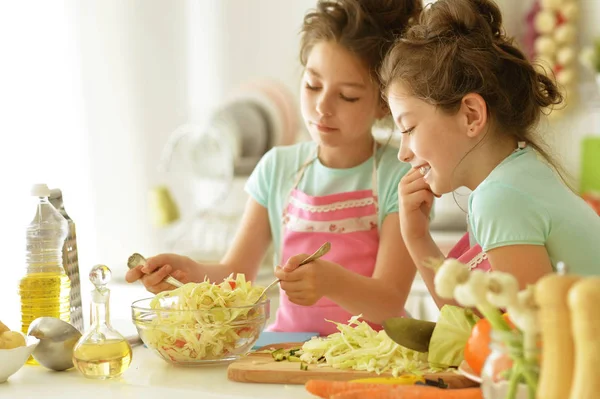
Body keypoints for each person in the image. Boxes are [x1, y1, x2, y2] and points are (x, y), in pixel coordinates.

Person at [126, 0, 422, 335]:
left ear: (385, 103)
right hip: (289, 351)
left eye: (348, 96)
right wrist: (189, 272)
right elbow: (237, 274)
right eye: (312, 85)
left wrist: (330, 281)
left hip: (374, 357)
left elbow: (388, 301)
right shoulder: (277, 168)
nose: (322, 107)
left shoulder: (400, 176)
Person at [379, 0, 600, 309]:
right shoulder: (516, 176)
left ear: (471, 115)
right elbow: (470, 324)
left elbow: (524, 339)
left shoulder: (500, 197)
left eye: (409, 128)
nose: (403, 153)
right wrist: (416, 237)